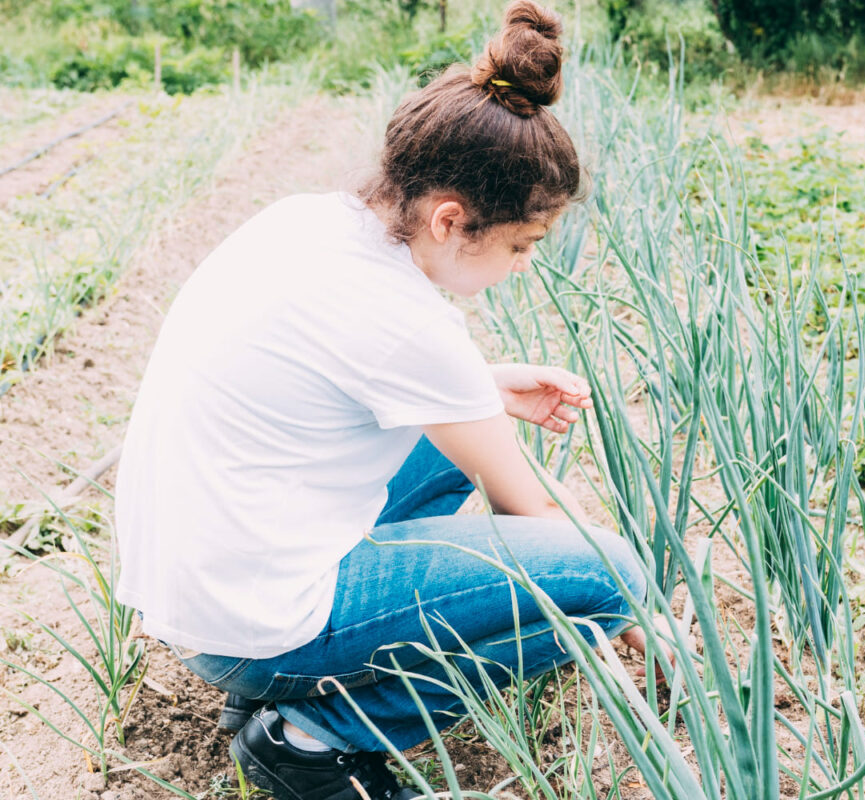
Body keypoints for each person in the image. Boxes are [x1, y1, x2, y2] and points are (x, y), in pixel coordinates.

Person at [112, 3, 652, 798]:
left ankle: (279, 685)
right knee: (609, 575)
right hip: (252, 623)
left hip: (196, 591)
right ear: (450, 220)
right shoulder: (408, 326)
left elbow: (342, 376)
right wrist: (636, 614)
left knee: (465, 449)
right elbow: (528, 505)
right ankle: (315, 738)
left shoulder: (307, 224)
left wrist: (480, 386)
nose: (524, 267)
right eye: (521, 246)